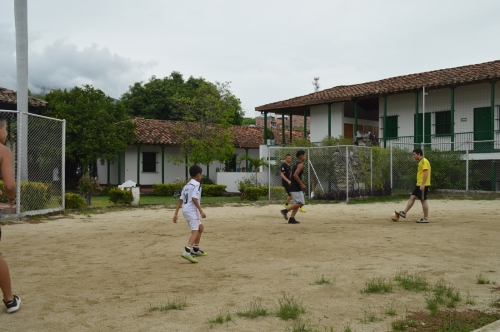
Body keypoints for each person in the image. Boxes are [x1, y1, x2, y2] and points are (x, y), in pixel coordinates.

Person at [0, 116, 21, 313]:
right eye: (5, 129)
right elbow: (10, 185)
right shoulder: (3, 150)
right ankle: (9, 300)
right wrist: (12, 198)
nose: (6, 133)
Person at [172, 164, 208, 263]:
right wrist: (201, 210)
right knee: (195, 231)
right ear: (198, 175)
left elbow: (180, 200)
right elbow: (194, 198)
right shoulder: (197, 184)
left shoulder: (186, 185)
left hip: (185, 210)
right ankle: (187, 250)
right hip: (192, 211)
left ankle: (196, 250)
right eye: (201, 175)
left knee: (200, 228)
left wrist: (175, 213)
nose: (201, 177)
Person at [395, 148, 431, 223]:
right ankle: (404, 212)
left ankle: (426, 218)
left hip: (422, 185)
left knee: (423, 200)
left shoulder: (424, 161)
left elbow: (426, 173)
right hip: (419, 184)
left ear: (419, 154)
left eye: (414, 155)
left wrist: (423, 184)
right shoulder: (421, 161)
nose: (413, 156)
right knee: (412, 197)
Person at [280, 150, 307, 224]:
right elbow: (295, 175)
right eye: (305, 155)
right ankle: (285, 211)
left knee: (297, 204)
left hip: (293, 186)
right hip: (296, 187)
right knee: (301, 203)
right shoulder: (300, 165)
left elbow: (291, 175)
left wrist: (293, 183)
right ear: (301, 157)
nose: (305, 157)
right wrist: (301, 184)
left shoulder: (295, 164)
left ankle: (292, 218)